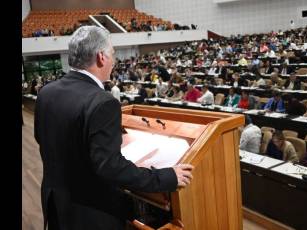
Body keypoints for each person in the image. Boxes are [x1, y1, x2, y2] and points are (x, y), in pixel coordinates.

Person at [34, 26, 194, 229]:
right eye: (112, 54)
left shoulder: (47, 92)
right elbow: (110, 167)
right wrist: (166, 176)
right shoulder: (102, 102)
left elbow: (43, 139)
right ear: (101, 57)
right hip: (91, 213)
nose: (114, 61)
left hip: (57, 204)